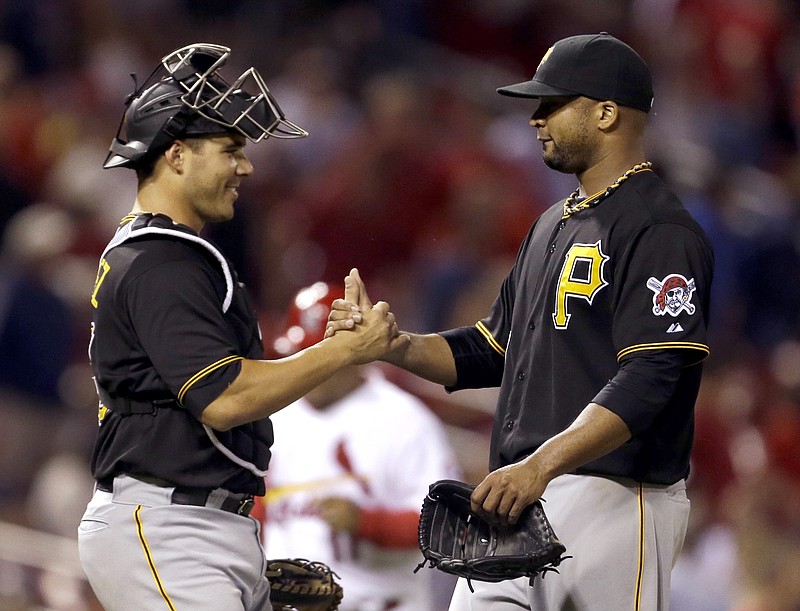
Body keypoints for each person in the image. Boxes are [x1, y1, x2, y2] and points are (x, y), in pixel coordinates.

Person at [328, 33, 715, 610]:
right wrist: (395, 345)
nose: (535, 119)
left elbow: (654, 376)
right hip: (518, 492)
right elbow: (494, 347)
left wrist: (542, 464)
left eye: (552, 103)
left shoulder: (659, 230)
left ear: (607, 113)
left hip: (614, 495)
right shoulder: (551, 223)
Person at [77, 43, 405, 611]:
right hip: (170, 522)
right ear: (177, 155)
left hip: (199, 524)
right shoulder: (163, 259)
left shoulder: (163, 252)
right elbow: (224, 398)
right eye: (230, 150)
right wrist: (344, 352)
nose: (245, 166)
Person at [259, 280, 462, 611]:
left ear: (354, 353)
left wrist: (367, 522)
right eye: (301, 354)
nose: (310, 365)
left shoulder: (404, 419)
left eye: (320, 353)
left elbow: (449, 525)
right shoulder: (275, 417)